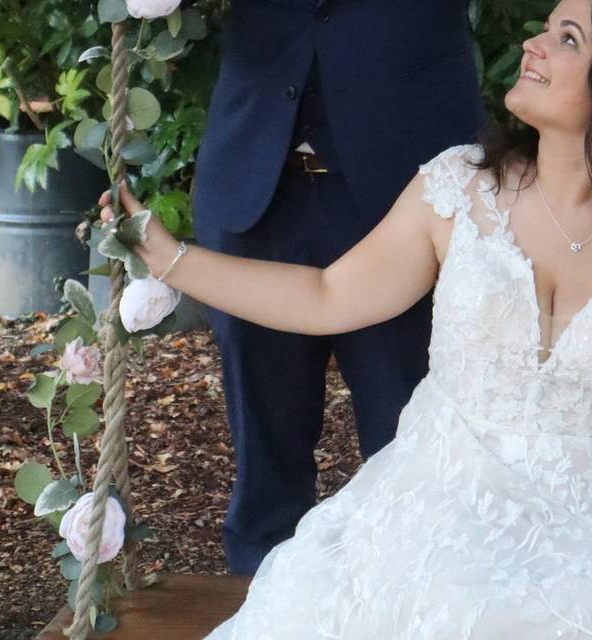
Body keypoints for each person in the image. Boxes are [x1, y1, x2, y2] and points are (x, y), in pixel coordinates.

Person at [101, 0, 592, 635]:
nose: (532, 46)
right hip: (439, 496)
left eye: (566, 37)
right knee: (429, 599)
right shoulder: (461, 190)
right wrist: (173, 259)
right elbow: (327, 296)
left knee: (582, 614)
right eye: (544, 28)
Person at [190, 0, 486, 574]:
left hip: (405, 194)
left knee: (407, 436)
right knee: (264, 449)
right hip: (257, 183)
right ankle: (263, 602)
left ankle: (412, 603)